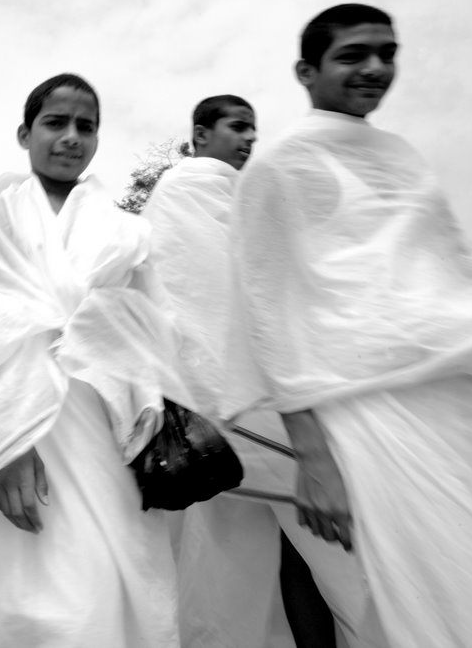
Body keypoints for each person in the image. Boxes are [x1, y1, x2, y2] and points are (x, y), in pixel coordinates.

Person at [224, 3, 472, 647]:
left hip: (454, 409)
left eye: (387, 52)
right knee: (429, 591)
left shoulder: (401, 156)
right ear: (306, 70)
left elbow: (451, 281)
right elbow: (267, 314)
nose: (375, 67)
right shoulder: (279, 167)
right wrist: (313, 459)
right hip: (368, 416)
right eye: (352, 54)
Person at [0, 73, 211, 647]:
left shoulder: (126, 231)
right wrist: (5, 444)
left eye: (86, 126)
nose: (71, 137)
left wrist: (148, 401)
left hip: (116, 433)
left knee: (125, 587)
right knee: (44, 605)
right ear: (25, 133)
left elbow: (159, 327)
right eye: (55, 123)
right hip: (31, 432)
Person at [144, 95, 356, 648]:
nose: (247, 141)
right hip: (238, 411)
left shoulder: (234, 199)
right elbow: (209, 298)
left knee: (266, 551)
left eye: (253, 133)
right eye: (237, 127)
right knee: (307, 542)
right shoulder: (190, 190)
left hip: (225, 416)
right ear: (199, 134)